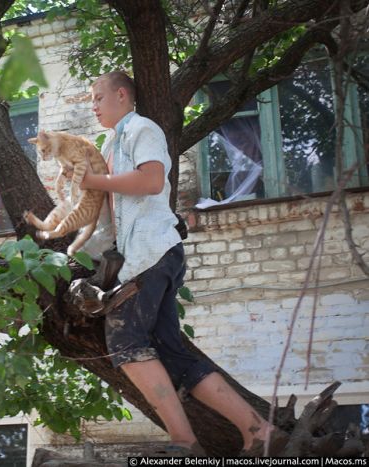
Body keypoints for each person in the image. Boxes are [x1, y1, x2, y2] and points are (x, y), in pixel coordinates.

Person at [80, 71, 288, 456]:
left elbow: (151, 182)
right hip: (153, 254)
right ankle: (260, 431)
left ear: (121, 95)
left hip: (151, 254)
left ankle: (185, 442)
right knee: (172, 354)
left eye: (96, 98)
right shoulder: (113, 142)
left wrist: (94, 182)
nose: (92, 106)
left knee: (125, 340)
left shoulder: (142, 129)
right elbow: (115, 209)